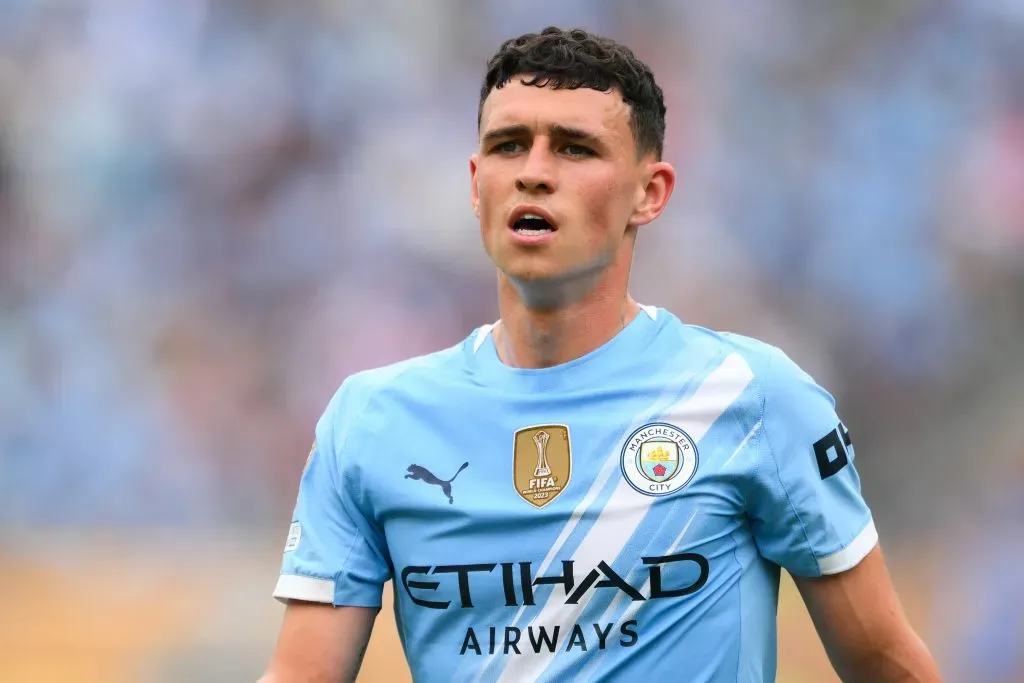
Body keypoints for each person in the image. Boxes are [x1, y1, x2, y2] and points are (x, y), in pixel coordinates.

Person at [259, 26, 942, 683]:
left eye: (574, 149)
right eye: (507, 145)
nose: (533, 172)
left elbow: (883, 659)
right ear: (475, 184)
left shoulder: (752, 396)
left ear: (650, 193)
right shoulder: (372, 420)